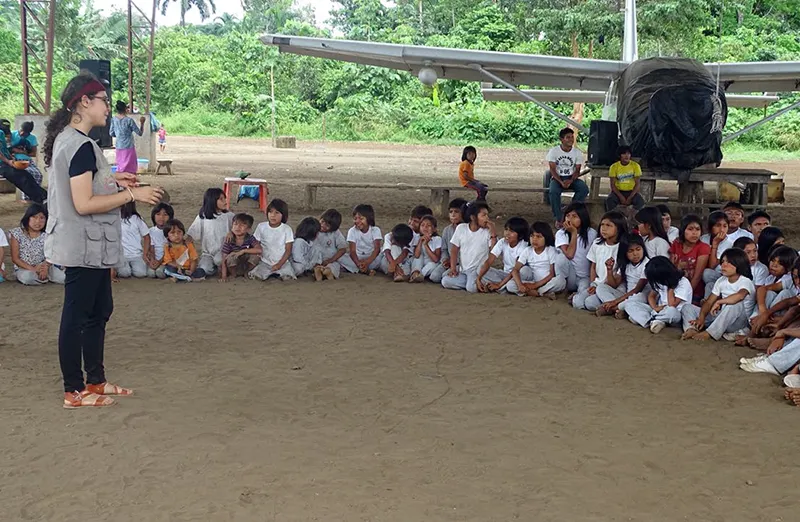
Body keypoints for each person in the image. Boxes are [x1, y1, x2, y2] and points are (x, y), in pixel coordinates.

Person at [42, 73, 162, 408]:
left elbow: (86, 184)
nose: (108, 107)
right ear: (84, 102)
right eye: (103, 100)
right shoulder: (79, 145)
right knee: (77, 317)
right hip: (82, 244)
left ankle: (95, 380)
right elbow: (83, 203)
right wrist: (132, 194)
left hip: (90, 244)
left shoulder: (75, 140)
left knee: (98, 310)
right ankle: (73, 390)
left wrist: (112, 179)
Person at [682, 248, 755, 341]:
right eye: (723, 261)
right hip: (721, 318)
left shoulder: (745, 281)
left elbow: (739, 296)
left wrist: (719, 302)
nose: (723, 265)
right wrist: (701, 318)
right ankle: (691, 329)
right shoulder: (721, 280)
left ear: (739, 264)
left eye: (729, 262)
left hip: (738, 323)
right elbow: (709, 302)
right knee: (687, 307)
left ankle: (710, 333)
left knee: (735, 305)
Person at [572, 210, 628, 311]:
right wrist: (593, 284)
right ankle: (607, 306)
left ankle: (615, 307)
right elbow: (593, 267)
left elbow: (615, 284)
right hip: (598, 284)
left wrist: (609, 270)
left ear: (619, 228)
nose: (604, 228)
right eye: (602, 224)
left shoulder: (622, 248)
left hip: (613, 288)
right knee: (578, 303)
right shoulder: (597, 243)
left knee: (590, 303)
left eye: (608, 225)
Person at [626, 256, 693, 333]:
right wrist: (655, 307)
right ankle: (654, 321)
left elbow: (672, 304)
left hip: (675, 314)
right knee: (630, 304)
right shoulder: (660, 281)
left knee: (671, 312)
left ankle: (647, 319)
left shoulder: (683, 282)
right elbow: (651, 296)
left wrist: (671, 287)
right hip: (659, 310)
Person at [442, 201, 497, 293]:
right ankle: (477, 283)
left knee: (471, 288)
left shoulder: (487, 232)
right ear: (473, 217)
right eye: (484, 215)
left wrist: (493, 233)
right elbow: (454, 250)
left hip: (478, 270)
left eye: (487, 215)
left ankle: (480, 282)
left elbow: (494, 251)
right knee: (445, 281)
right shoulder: (461, 228)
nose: (487, 218)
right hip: (464, 270)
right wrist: (453, 268)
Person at [9, 203, 65, 285]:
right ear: (28, 218)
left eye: (42, 218)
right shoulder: (17, 233)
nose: (38, 221)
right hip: (24, 267)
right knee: (27, 278)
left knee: (62, 278)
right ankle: (42, 278)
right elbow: (15, 258)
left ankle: (43, 276)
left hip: (45, 266)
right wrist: (34, 269)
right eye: (34, 217)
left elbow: (52, 254)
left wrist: (45, 267)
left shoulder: (47, 234)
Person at [596, 233, 650, 318]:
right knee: (601, 287)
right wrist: (609, 270)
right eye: (630, 251)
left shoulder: (647, 264)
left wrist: (615, 302)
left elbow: (637, 289)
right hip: (625, 295)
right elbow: (614, 285)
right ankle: (616, 309)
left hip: (639, 295)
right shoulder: (626, 265)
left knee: (637, 298)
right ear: (625, 253)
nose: (635, 254)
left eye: (638, 249)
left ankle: (613, 308)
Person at [507, 221, 565, 298]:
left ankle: (538, 292)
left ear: (546, 237)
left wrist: (535, 285)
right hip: (532, 281)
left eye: (538, 236)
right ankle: (542, 293)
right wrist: (520, 285)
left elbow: (552, 274)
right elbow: (515, 270)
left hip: (547, 282)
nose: (534, 239)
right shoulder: (527, 250)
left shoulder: (550, 250)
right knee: (510, 285)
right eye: (532, 236)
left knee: (561, 281)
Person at [187, 188, 235, 277]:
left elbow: (238, 230)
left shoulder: (229, 216)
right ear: (212, 201)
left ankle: (223, 267)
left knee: (219, 260)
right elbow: (192, 234)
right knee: (204, 269)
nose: (225, 201)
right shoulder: (202, 217)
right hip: (207, 253)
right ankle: (216, 268)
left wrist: (232, 233)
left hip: (224, 250)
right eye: (221, 199)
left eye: (225, 198)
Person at [546, 128, 588, 226]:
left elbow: (577, 170)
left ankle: (571, 210)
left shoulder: (577, 152)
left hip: (571, 177)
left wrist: (571, 180)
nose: (571, 139)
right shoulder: (554, 151)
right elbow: (552, 170)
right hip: (557, 177)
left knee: (584, 189)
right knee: (553, 191)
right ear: (561, 139)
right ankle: (559, 218)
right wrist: (561, 181)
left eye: (572, 137)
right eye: (568, 137)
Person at [475, 216, 529, 293]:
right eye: (506, 229)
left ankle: (501, 287)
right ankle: (503, 287)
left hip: (519, 276)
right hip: (506, 274)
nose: (507, 233)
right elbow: (489, 261)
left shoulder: (524, 246)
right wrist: (478, 279)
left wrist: (499, 285)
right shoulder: (502, 242)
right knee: (480, 269)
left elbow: (515, 270)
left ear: (520, 235)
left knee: (523, 272)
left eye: (512, 231)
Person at [0, 119, 46, 202]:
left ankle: (43, 196)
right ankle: (41, 198)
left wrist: (11, 158)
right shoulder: (1, 133)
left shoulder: (2, 134)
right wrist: (8, 161)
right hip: (2, 164)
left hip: (8, 161)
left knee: (27, 176)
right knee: (21, 178)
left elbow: (4, 150)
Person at [555, 202, 596, 294]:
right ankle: (563, 286)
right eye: (568, 216)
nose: (570, 219)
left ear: (582, 218)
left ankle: (575, 295)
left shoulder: (592, 233)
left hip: (585, 276)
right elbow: (570, 255)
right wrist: (573, 233)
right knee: (561, 258)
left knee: (584, 292)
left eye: (574, 216)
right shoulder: (561, 233)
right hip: (570, 276)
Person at [251, 198, 296, 281]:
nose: (273, 215)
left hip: (282, 262)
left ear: (283, 215)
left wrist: (279, 264)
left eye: (277, 213)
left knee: (287, 275)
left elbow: (288, 250)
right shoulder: (261, 226)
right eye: (270, 212)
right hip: (265, 261)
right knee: (257, 274)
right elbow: (255, 242)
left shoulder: (287, 229)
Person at [430, 198, 466, 284]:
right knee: (434, 276)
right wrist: (445, 259)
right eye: (451, 212)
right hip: (449, 261)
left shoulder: (467, 230)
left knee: (445, 276)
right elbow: (444, 249)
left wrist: (454, 262)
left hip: (461, 263)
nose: (453, 214)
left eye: (456, 212)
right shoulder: (447, 230)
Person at [220, 213, 261, 281]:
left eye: (242, 225)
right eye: (235, 224)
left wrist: (243, 251)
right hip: (233, 266)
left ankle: (246, 273)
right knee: (230, 257)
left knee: (256, 256)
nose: (238, 227)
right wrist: (223, 276)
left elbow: (259, 250)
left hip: (245, 265)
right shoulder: (229, 239)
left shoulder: (250, 238)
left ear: (248, 229)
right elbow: (224, 259)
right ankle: (233, 274)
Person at [114, 201, 150, 279]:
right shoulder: (115, 218)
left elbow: (146, 236)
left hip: (136, 254)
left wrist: (145, 254)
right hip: (122, 255)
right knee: (125, 273)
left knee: (141, 273)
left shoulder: (137, 219)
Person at [344, 204, 383, 275]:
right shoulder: (352, 231)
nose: (357, 221)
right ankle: (365, 270)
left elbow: (377, 249)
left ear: (369, 219)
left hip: (372, 259)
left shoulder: (375, 230)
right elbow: (352, 251)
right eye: (355, 219)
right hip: (357, 259)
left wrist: (367, 262)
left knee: (383, 254)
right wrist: (358, 263)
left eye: (361, 219)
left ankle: (361, 269)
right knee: (342, 257)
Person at [700, 211, 731, 298]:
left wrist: (715, 244)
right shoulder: (704, 239)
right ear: (711, 227)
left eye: (725, 226)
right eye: (718, 226)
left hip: (721, 275)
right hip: (705, 274)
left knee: (706, 273)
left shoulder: (729, 244)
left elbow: (712, 265)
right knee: (709, 285)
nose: (722, 229)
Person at [605, 145, 645, 212]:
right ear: (619, 155)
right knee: (610, 201)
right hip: (618, 192)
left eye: (628, 153)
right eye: (624, 154)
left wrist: (630, 197)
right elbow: (613, 185)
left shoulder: (635, 166)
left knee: (640, 202)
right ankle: (612, 216)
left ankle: (634, 217)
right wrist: (621, 197)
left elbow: (637, 184)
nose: (627, 156)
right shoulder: (614, 167)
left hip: (631, 191)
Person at [110, 100, 145, 175]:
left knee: (120, 167)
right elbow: (140, 133)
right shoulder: (129, 120)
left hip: (119, 146)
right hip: (129, 146)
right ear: (125, 109)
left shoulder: (113, 120)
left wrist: (119, 135)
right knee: (130, 168)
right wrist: (142, 123)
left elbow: (111, 133)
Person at [313, 209, 348, 280]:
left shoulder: (336, 233)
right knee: (317, 266)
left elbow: (342, 249)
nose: (322, 225)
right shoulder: (313, 229)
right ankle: (321, 272)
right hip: (315, 260)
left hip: (330, 260)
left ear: (333, 228)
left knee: (334, 266)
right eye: (322, 221)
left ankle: (327, 272)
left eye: (327, 225)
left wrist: (330, 260)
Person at [409, 215, 442, 283]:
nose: (425, 227)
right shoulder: (418, 237)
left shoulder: (437, 239)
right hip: (420, 263)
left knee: (432, 265)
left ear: (434, 229)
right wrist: (420, 242)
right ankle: (415, 273)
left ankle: (419, 275)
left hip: (431, 263)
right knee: (418, 258)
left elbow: (436, 259)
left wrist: (425, 244)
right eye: (422, 225)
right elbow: (416, 255)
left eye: (428, 225)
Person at [146, 202, 173, 279]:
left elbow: (170, 250)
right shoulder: (150, 231)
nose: (161, 217)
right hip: (156, 259)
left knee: (160, 272)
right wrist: (153, 260)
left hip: (168, 260)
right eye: (158, 214)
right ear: (153, 216)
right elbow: (151, 248)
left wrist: (160, 262)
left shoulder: (172, 231)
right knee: (150, 273)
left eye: (165, 215)